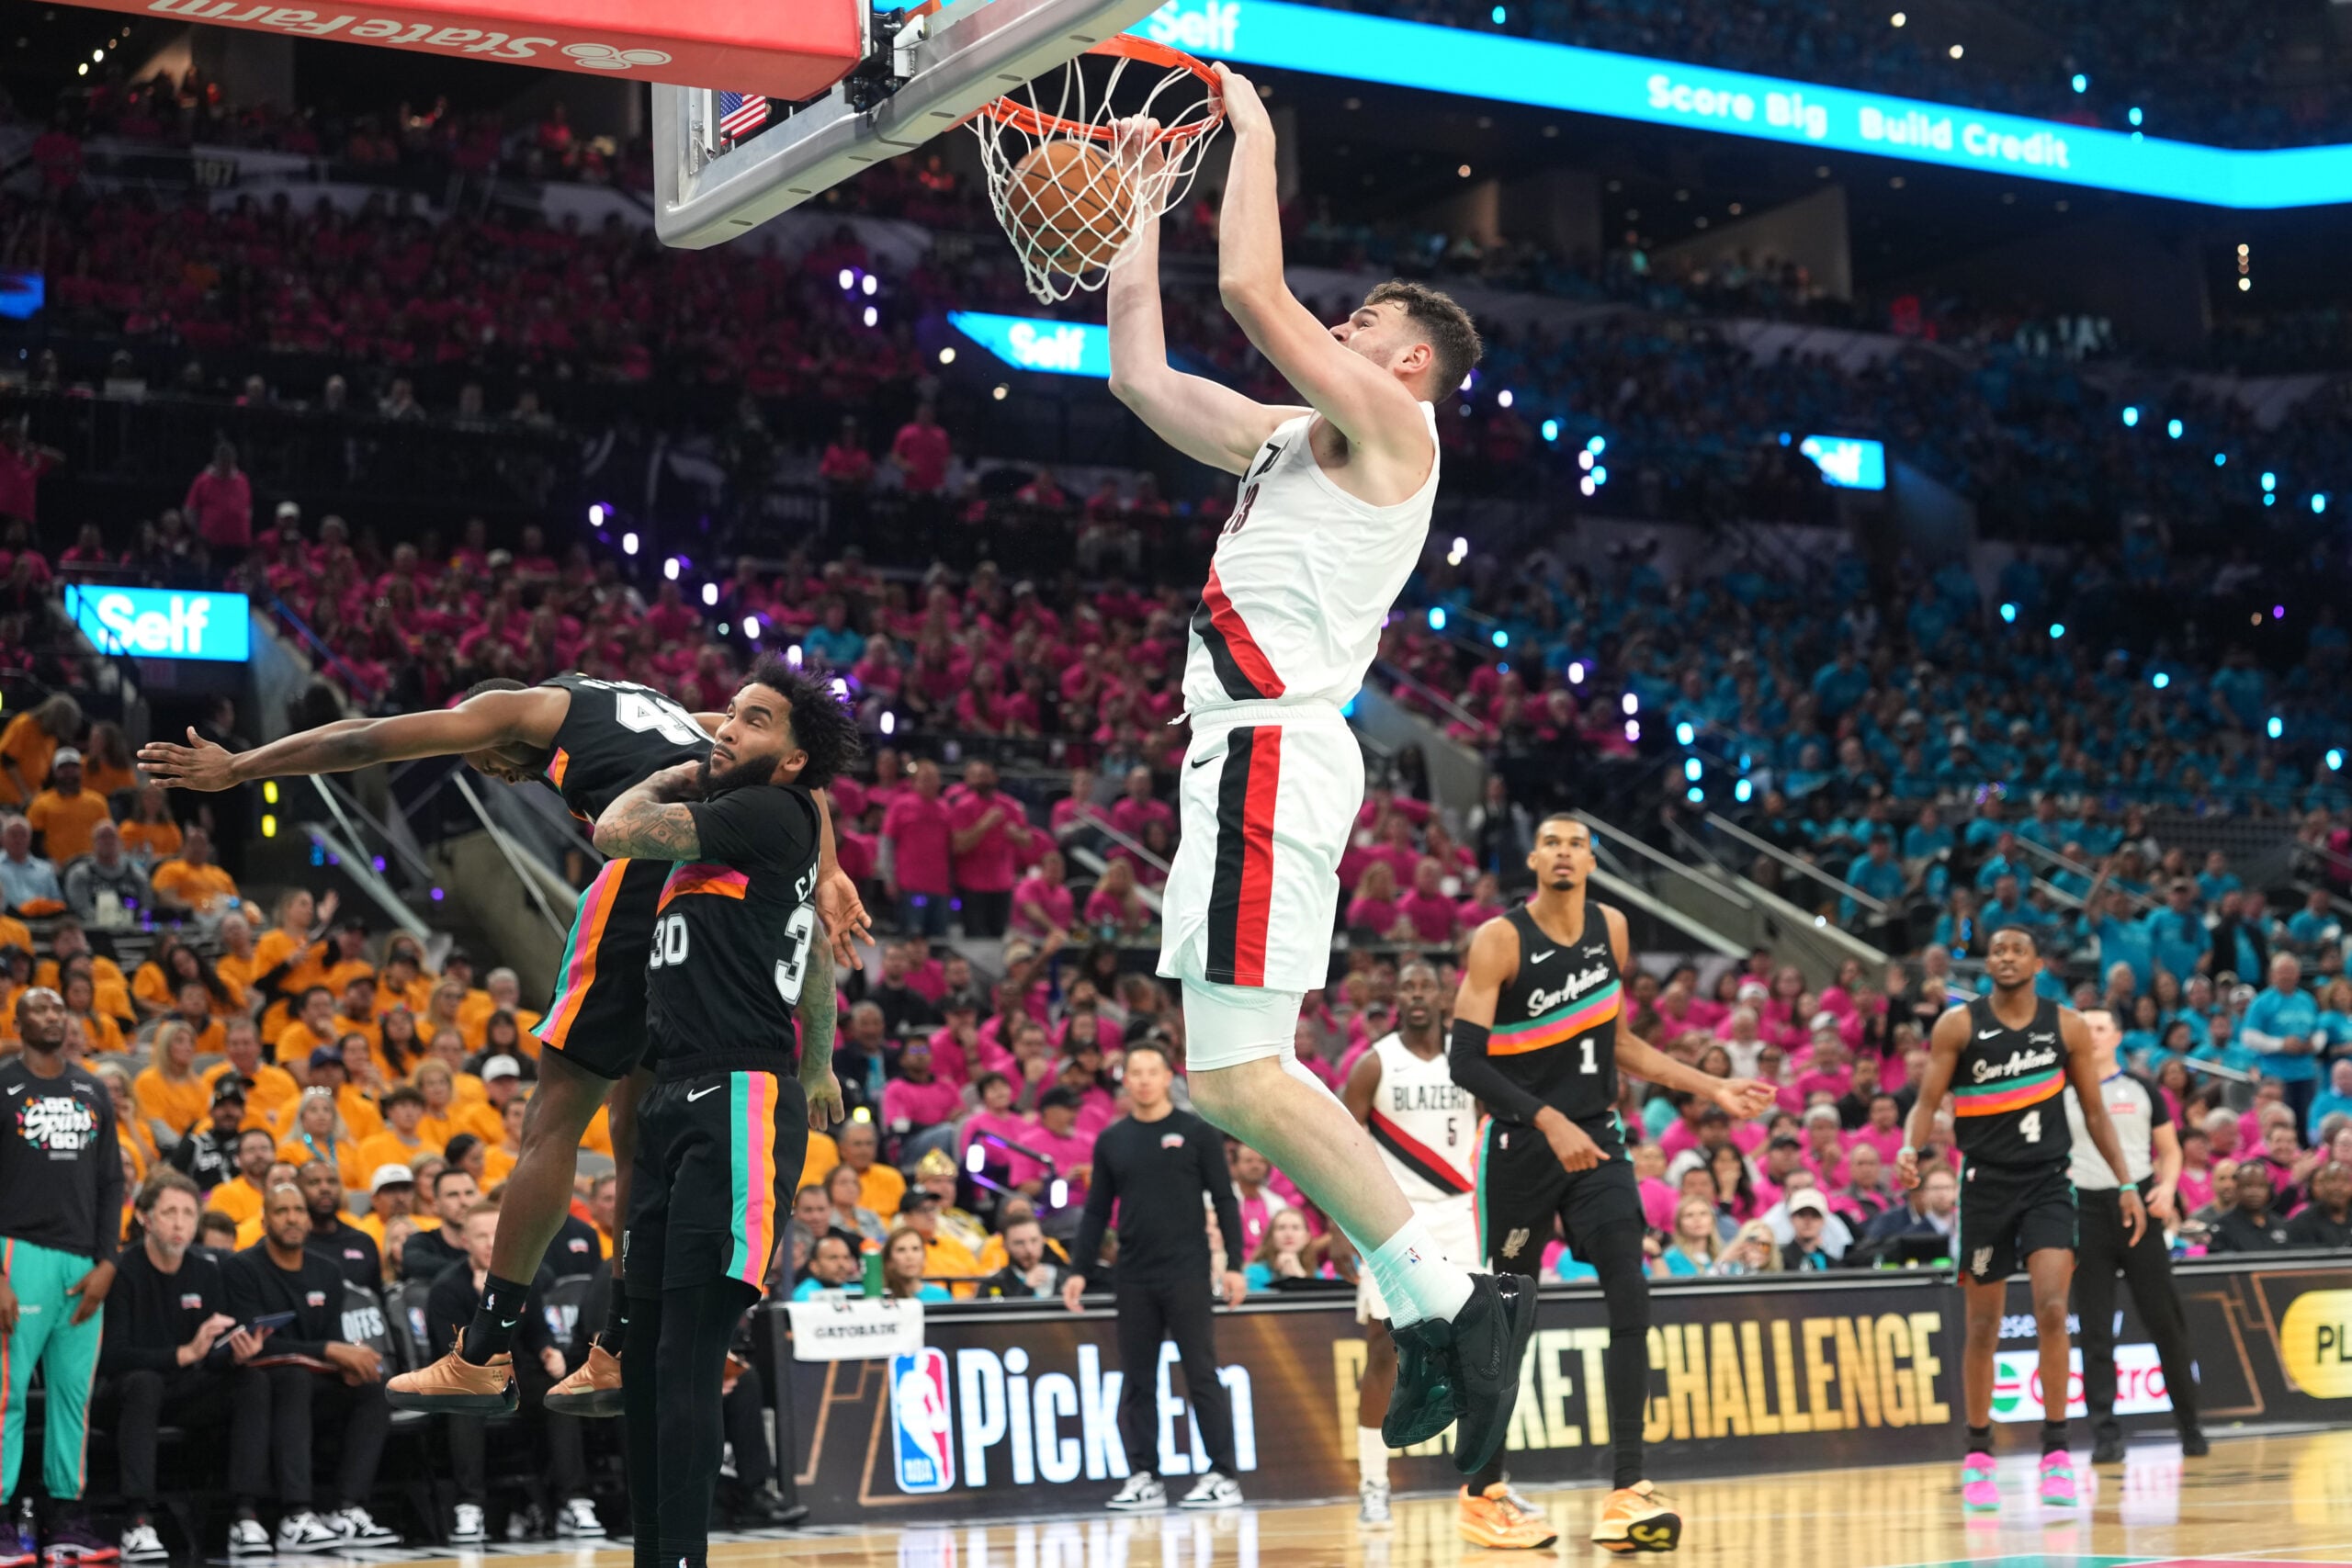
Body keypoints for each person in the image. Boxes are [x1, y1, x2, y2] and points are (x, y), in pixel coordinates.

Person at [1102, 79, 1529, 1492]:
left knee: (1243, 1073)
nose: (1338, 336)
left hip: (1275, 741)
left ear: (1410, 369)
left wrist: (1249, 129)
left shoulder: (1401, 440)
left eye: (1362, 332)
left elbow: (1247, 282)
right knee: (1229, 1077)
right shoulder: (1295, 441)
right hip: (1242, 750)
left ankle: (1451, 1296)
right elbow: (1143, 382)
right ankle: (1437, 1295)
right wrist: (1131, 216)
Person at [141, 668, 868, 1414]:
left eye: (485, 754)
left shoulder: (526, 708)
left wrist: (240, 766)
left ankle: (484, 1354)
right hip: (721, 897)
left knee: (554, 1116)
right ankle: (620, 1346)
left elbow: (365, 738)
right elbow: (805, 766)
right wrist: (832, 873)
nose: (488, 769)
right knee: (632, 1129)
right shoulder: (668, 710)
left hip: (651, 870)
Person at [587, 658, 855, 1568]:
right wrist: (819, 1059)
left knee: (692, 1347)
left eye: (753, 720)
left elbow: (616, 828)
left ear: (790, 761)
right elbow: (813, 946)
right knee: (651, 1350)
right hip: (677, 1097)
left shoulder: (765, 811)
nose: (728, 729)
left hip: (735, 1095)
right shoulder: (750, 834)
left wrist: (677, 769)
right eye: (731, 714)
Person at [1449, 813, 1775, 1552]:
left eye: (1576, 843)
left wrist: (1710, 1088)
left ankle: (1627, 1491)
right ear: (1534, 858)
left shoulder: (1612, 930)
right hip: (1522, 1144)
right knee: (1508, 1316)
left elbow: (1616, 1041)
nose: (1563, 852)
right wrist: (1544, 1119)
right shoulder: (1500, 939)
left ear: (1592, 858)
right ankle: (1482, 1491)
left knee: (1631, 1287)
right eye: (1551, 842)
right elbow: (1465, 1062)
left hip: (1596, 1138)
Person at [1894, 926, 2143, 1515]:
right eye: (1997, 950)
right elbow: (1928, 1103)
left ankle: (2056, 1452)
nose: (2005, 957)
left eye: (2017, 950)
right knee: (1983, 1326)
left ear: (2036, 961)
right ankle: (1978, 1454)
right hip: (1984, 1187)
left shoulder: (2066, 1026)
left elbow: (2095, 1111)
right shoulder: (1957, 1025)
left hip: (2049, 1184)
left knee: (2054, 1309)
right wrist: (1911, 1148)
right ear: (1988, 962)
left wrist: (2127, 1181)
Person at [1062, 1042, 1248, 1510]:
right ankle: (1145, 1476)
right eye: (1135, 1072)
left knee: (1201, 1375)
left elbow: (1226, 1200)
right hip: (1134, 1276)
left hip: (1187, 1272)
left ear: (1169, 1077)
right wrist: (1079, 1270)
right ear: (1125, 1080)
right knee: (1139, 1380)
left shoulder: (1197, 1132)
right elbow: (1097, 1211)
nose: (1144, 1079)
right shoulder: (1112, 1140)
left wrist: (1236, 1265)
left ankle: (1223, 1475)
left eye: (1152, 1071)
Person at [1339, 960, 1474, 1529]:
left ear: (1444, 996)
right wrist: (1342, 1227)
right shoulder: (1375, 1064)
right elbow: (1338, 1148)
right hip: (1394, 1222)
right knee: (1383, 1351)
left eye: (1426, 986)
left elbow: (1491, 1138)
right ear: (1395, 997)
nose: (1417, 995)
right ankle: (1374, 1484)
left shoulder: (1468, 1061)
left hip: (1463, 1218)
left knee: (1476, 1353)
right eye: (1408, 987)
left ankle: (1486, 1488)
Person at [0, 988, 124, 1565]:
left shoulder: (92, 1088)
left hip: (84, 1263)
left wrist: (108, 1262)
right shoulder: (2, 1086)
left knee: (73, 1399)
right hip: (16, 1255)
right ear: (19, 1022)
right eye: (39, 1010)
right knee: (6, 1399)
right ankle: (2, 1520)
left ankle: (64, 1517)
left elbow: (110, 1184)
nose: (52, 1017)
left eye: (58, 1010)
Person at [96, 1169, 278, 1562]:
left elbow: (208, 1353)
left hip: (183, 1390)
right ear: (146, 1217)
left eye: (188, 1213)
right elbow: (111, 1356)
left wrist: (233, 1352)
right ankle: (138, 1521)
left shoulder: (206, 1269)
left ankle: (245, 1514)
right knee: (144, 1383)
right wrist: (183, 1354)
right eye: (169, 1213)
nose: (180, 1223)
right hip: (122, 1396)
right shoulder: (122, 1271)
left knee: (252, 1381)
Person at [2064, 1008, 2205, 1464]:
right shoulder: (2059, 1090)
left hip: (2140, 1206)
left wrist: (2165, 1188)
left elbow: (2169, 1150)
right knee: (2096, 1329)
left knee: (2165, 1321)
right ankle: (2105, 1435)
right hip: (2084, 1207)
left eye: (2101, 1027)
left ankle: (2190, 1425)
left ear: (2118, 1037)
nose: (2093, 1035)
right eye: (2084, 1028)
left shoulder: (2143, 1088)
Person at [220, 1182, 394, 1550]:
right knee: (293, 1378)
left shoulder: (327, 1271)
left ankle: (348, 1507)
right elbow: (256, 1344)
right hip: (261, 1383)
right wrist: (331, 1351)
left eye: (298, 1210)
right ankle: (294, 1514)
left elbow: (328, 1339)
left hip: (311, 1378)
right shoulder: (241, 1268)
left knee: (372, 1387)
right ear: (264, 1220)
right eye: (281, 1211)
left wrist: (345, 1363)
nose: (292, 1218)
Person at [429, 1201, 602, 1542]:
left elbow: (537, 1329)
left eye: (498, 1234)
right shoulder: (446, 1289)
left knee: (558, 1392)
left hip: (515, 1372)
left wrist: (548, 1350)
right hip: (466, 1376)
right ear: (465, 1242)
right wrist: (488, 1310)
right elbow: (459, 1356)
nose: (492, 1243)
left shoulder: (525, 1278)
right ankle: (470, 1507)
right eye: (481, 1236)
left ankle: (573, 1501)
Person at [296, 1158, 380, 1292]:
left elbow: (377, 1302)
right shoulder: (289, 1246)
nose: (325, 1188)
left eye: (332, 1182)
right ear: (298, 1191)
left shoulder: (363, 1242)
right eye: (314, 1182)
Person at [979, 1214, 1070, 1299]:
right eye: (1019, 1243)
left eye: (1034, 1240)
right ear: (1005, 1246)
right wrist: (1026, 1289)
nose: (1029, 1250)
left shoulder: (1067, 1278)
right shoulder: (993, 1284)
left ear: (1043, 1240)